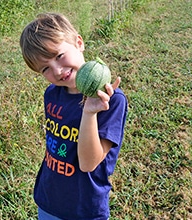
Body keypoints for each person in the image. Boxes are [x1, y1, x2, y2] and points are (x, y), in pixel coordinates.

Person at [20, 12, 128, 220]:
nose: (58, 70)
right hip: (49, 199)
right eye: (45, 68)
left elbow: (88, 163)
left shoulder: (111, 101)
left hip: (84, 207)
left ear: (79, 42)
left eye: (59, 56)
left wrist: (89, 112)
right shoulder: (52, 93)